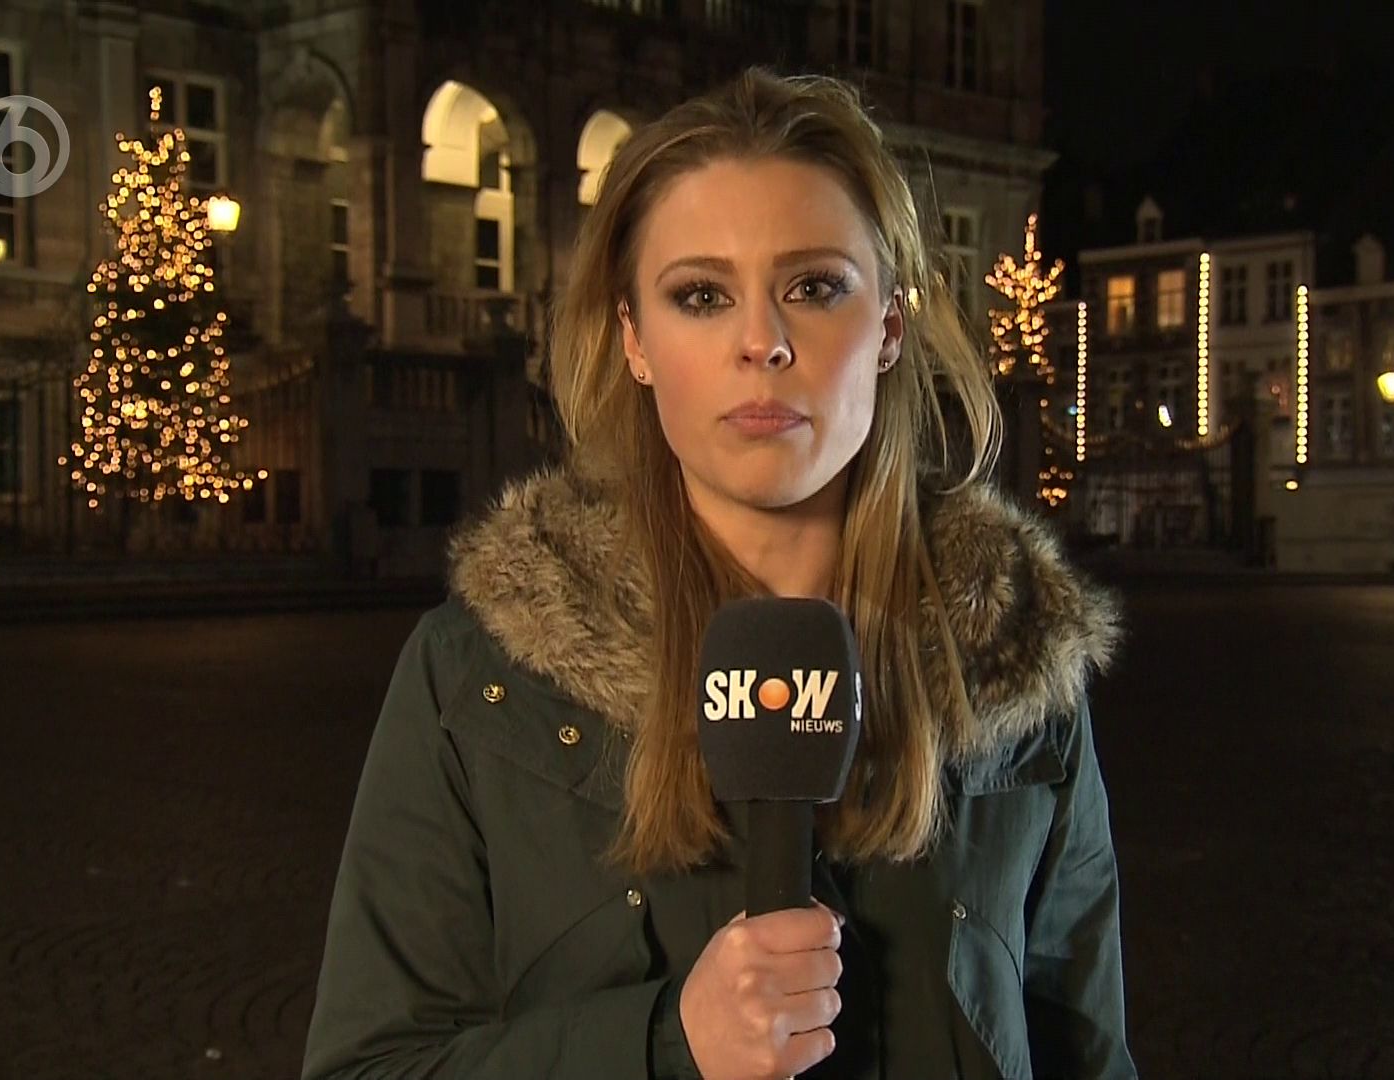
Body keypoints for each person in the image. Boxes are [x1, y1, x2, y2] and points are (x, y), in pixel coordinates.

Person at [301, 67, 1136, 1080]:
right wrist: (666, 1045)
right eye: (701, 295)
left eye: (813, 288)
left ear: (889, 327)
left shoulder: (1017, 677)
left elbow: (1087, 1051)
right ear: (634, 340)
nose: (761, 343)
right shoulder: (477, 683)